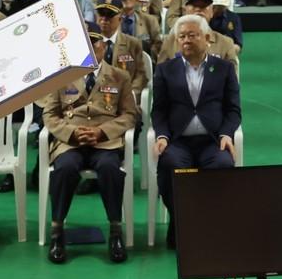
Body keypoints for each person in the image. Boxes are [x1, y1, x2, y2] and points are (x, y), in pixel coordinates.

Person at [42, 22, 139, 265]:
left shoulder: (120, 76)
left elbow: (129, 115)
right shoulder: (62, 76)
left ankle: (115, 230)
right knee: (65, 169)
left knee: (109, 169)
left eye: (93, 43)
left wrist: (102, 132)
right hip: (71, 142)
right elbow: (50, 115)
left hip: (104, 143)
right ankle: (57, 231)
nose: (88, 48)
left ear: (103, 46)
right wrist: (72, 134)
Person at [151, 14, 241, 249]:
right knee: (170, 163)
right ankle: (178, 220)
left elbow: (233, 110)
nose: (186, 40)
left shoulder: (223, 68)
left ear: (207, 38)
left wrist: (226, 134)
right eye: (182, 36)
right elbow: (159, 110)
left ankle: (209, 220)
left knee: (222, 164)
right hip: (179, 141)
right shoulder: (165, 70)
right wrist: (161, 136)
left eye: (192, 35)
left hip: (212, 141)